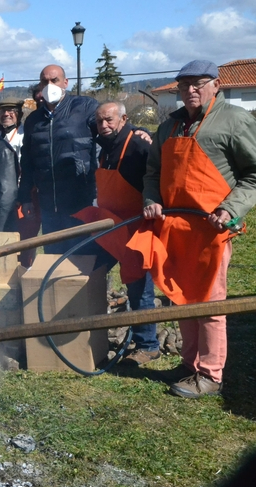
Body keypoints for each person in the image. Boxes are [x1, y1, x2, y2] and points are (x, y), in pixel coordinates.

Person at [129, 60, 256, 397]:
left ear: (216, 84)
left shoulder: (234, 120)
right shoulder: (169, 126)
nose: (191, 90)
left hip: (212, 230)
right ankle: (189, 365)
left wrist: (231, 207)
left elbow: (254, 173)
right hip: (175, 227)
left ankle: (211, 375)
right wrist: (151, 198)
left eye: (199, 83)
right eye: (185, 85)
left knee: (210, 303)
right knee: (182, 298)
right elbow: (152, 172)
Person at [73, 102, 160, 365]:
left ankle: (148, 344)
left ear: (124, 119)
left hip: (136, 227)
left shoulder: (139, 145)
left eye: (109, 120)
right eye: (100, 121)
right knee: (89, 269)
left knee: (139, 286)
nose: (103, 126)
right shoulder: (106, 146)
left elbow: (158, 180)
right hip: (110, 226)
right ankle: (88, 328)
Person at [18, 65, 99, 254]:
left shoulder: (85, 108)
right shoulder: (33, 120)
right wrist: (25, 197)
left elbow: (111, 128)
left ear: (65, 82)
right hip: (49, 204)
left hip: (81, 200)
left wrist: (139, 132)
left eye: (54, 80)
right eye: (44, 81)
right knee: (54, 256)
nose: (49, 85)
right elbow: (28, 161)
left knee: (84, 257)